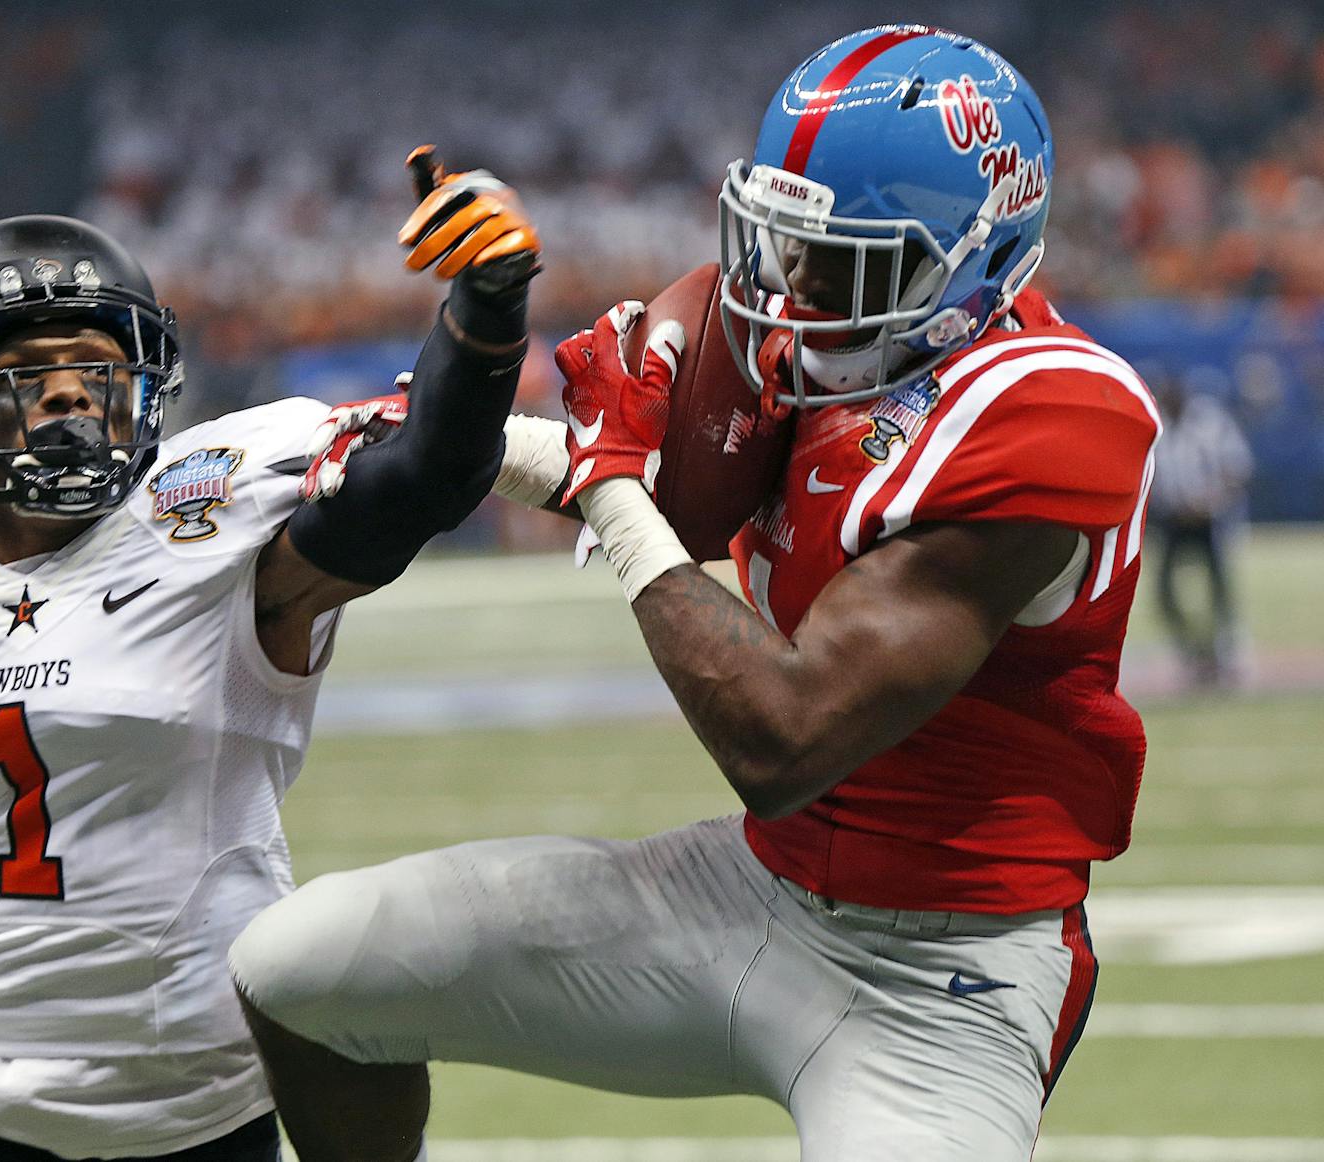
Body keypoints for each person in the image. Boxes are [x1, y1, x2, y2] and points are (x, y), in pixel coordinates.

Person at [230, 26, 1162, 1162]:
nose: (797, 288)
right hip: (756, 890)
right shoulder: (824, 330)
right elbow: (670, 488)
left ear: (976, 257)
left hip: (943, 971)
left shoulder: (1049, 413)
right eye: (793, 243)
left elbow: (784, 738)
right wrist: (475, 445)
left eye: (848, 261)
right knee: (300, 970)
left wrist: (612, 484)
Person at [0, 148, 543, 1160]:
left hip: (183, 1113)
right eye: (29, 373)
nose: (71, 395)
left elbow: (425, 476)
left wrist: (487, 308)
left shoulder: (207, 520)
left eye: (98, 368)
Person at [1149, 368, 1254, 687]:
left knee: (1219, 586)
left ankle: (1225, 652)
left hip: (1211, 518)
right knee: (1164, 591)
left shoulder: (1211, 422)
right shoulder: (1156, 427)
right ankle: (1193, 651)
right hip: (1173, 520)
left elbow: (1237, 469)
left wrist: (1212, 502)